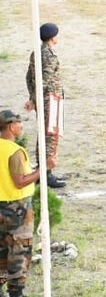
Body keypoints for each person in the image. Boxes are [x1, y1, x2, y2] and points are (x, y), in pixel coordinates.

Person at [0, 109, 41, 297]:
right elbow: (20, 181)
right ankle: (16, 292)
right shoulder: (14, 151)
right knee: (19, 251)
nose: (21, 126)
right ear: (10, 126)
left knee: (1, 252)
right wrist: (44, 170)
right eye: (19, 123)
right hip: (17, 210)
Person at [24, 22, 65, 189]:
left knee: (44, 134)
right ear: (53, 37)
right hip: (50, 98)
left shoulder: (37, 53)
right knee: (50, 135)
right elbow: (45, 80)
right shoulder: (48, 55)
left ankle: (42, 171)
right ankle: (46, 173)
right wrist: (37, 98)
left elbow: (29, 77)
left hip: (44, 99)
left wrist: (33, 98)